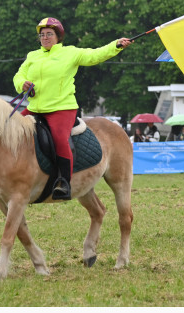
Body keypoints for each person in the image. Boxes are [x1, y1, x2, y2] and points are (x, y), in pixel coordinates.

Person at [14, 17, 133, 200]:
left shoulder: (70, 53)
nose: (45, 37)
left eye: (49, 34)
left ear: (58, 36)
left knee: (59, 139)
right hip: (35, 108)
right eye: (42, 35)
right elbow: (18, 75)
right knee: (9, 129)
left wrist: (116, 45)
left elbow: (96, 55)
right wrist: (22, 83)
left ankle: (63, 182)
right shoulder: (32, 56)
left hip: (61, 109)